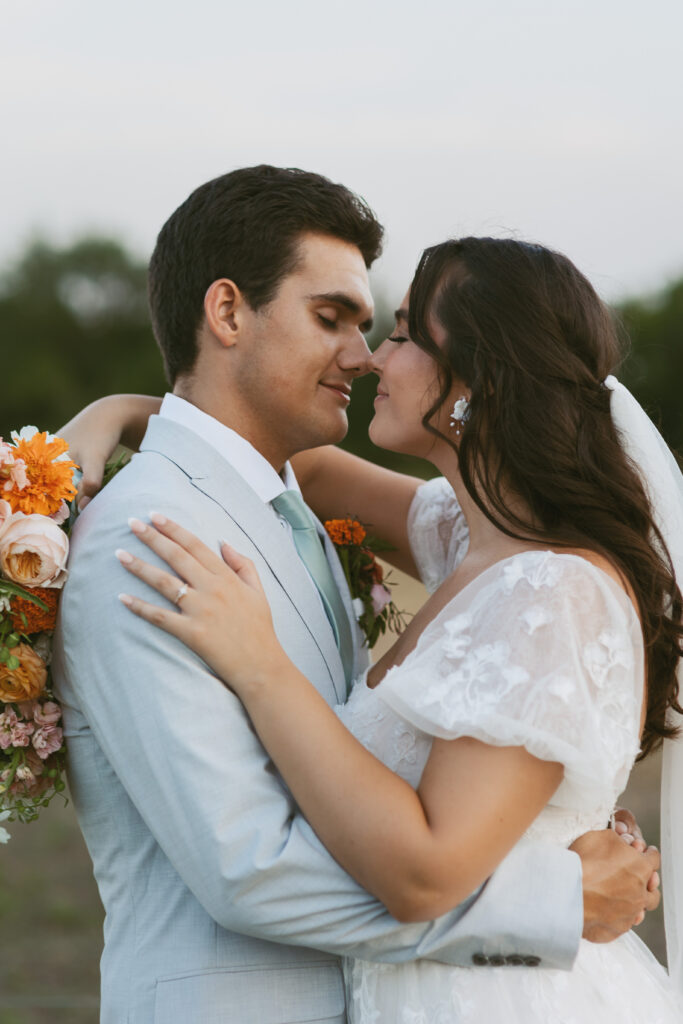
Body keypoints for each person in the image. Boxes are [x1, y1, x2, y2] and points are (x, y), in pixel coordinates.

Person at [55, 171, 662, 1024]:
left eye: (394, 331)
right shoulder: (150, 541)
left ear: (480, 377)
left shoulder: (514, 560)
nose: (367, 355)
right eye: (332, 318)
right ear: (226, 314)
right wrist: (555, 898)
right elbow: (250, 867)